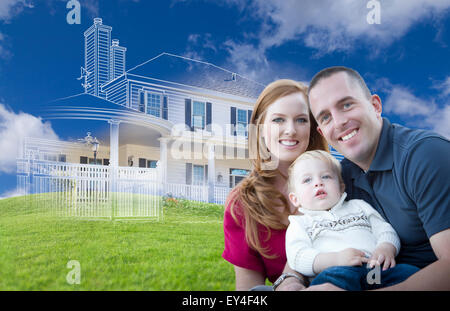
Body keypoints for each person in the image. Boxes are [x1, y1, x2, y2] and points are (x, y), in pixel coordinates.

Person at [307, 66, 450, 290]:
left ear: (375, 106)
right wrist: (290, 281)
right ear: (323, 133)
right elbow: (309, 229)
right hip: (372, 277)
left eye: (346, 105)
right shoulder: (341, 177)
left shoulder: (426, 154)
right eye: (326, 117)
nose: (339, 122)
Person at [222, 79, 328, 290]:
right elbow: (249, 290)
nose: (290, 130)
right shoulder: (242, 204)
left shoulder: (336, 181)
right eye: (278, 120)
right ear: (260, 129)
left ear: (312, 128)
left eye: (301, 120)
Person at [285, 150, 419, 290]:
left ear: (341, 187)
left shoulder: (359, 206)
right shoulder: (299, 223)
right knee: (327, 283)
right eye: (307, 180)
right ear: (295, 199)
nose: (318, 183)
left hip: (375, 268)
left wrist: (386, 247)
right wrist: (335, 259)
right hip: (337, 271)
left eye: (326, 176)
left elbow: (384, 229)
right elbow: (298, 256)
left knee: (409, 273)